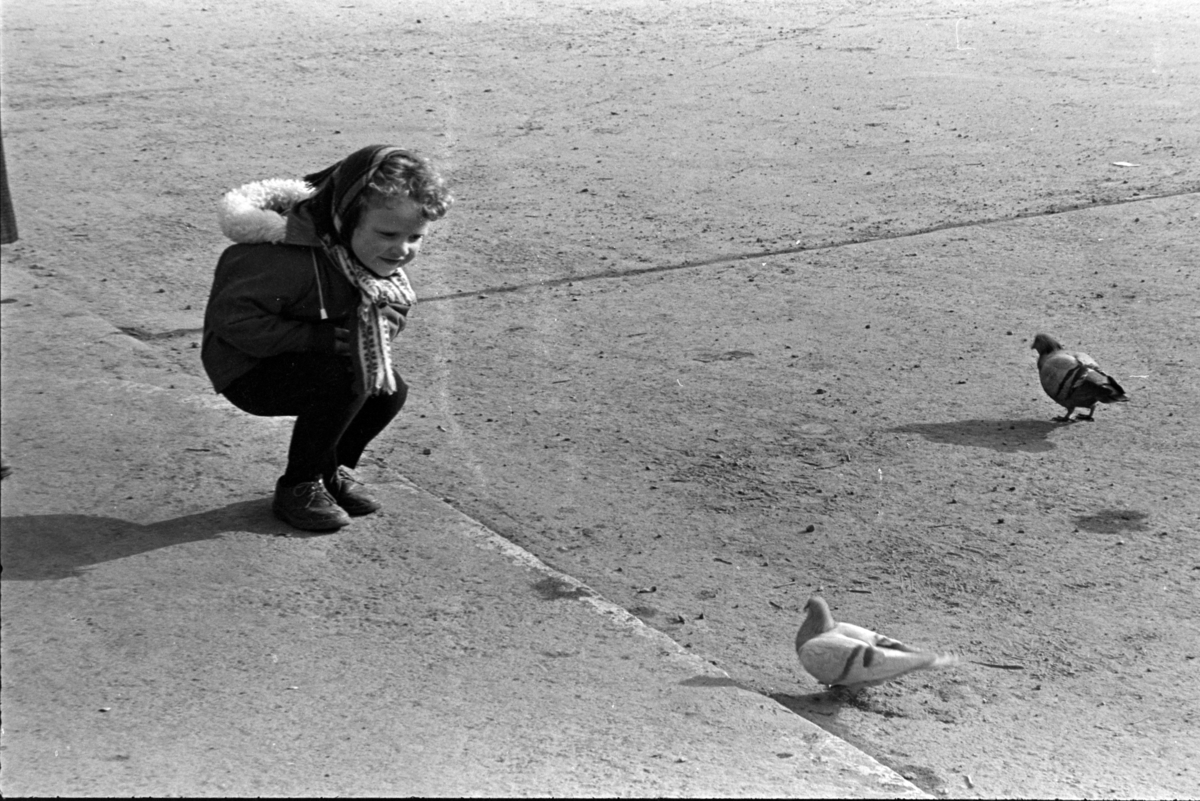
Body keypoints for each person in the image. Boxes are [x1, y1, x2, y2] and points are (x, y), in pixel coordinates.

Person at [202, 145, 452, 531]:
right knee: (348, 379)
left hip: (306, 356)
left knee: (389, 391)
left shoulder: (363, 256)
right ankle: (299, 484)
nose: (402, 249)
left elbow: (390, 307)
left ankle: (331, 470)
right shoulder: (279, 257)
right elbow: (234, 321)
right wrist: (317, 337)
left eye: (415, 237)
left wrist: (383, 322)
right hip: (247, 369)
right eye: (387, 233)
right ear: (345, 218)